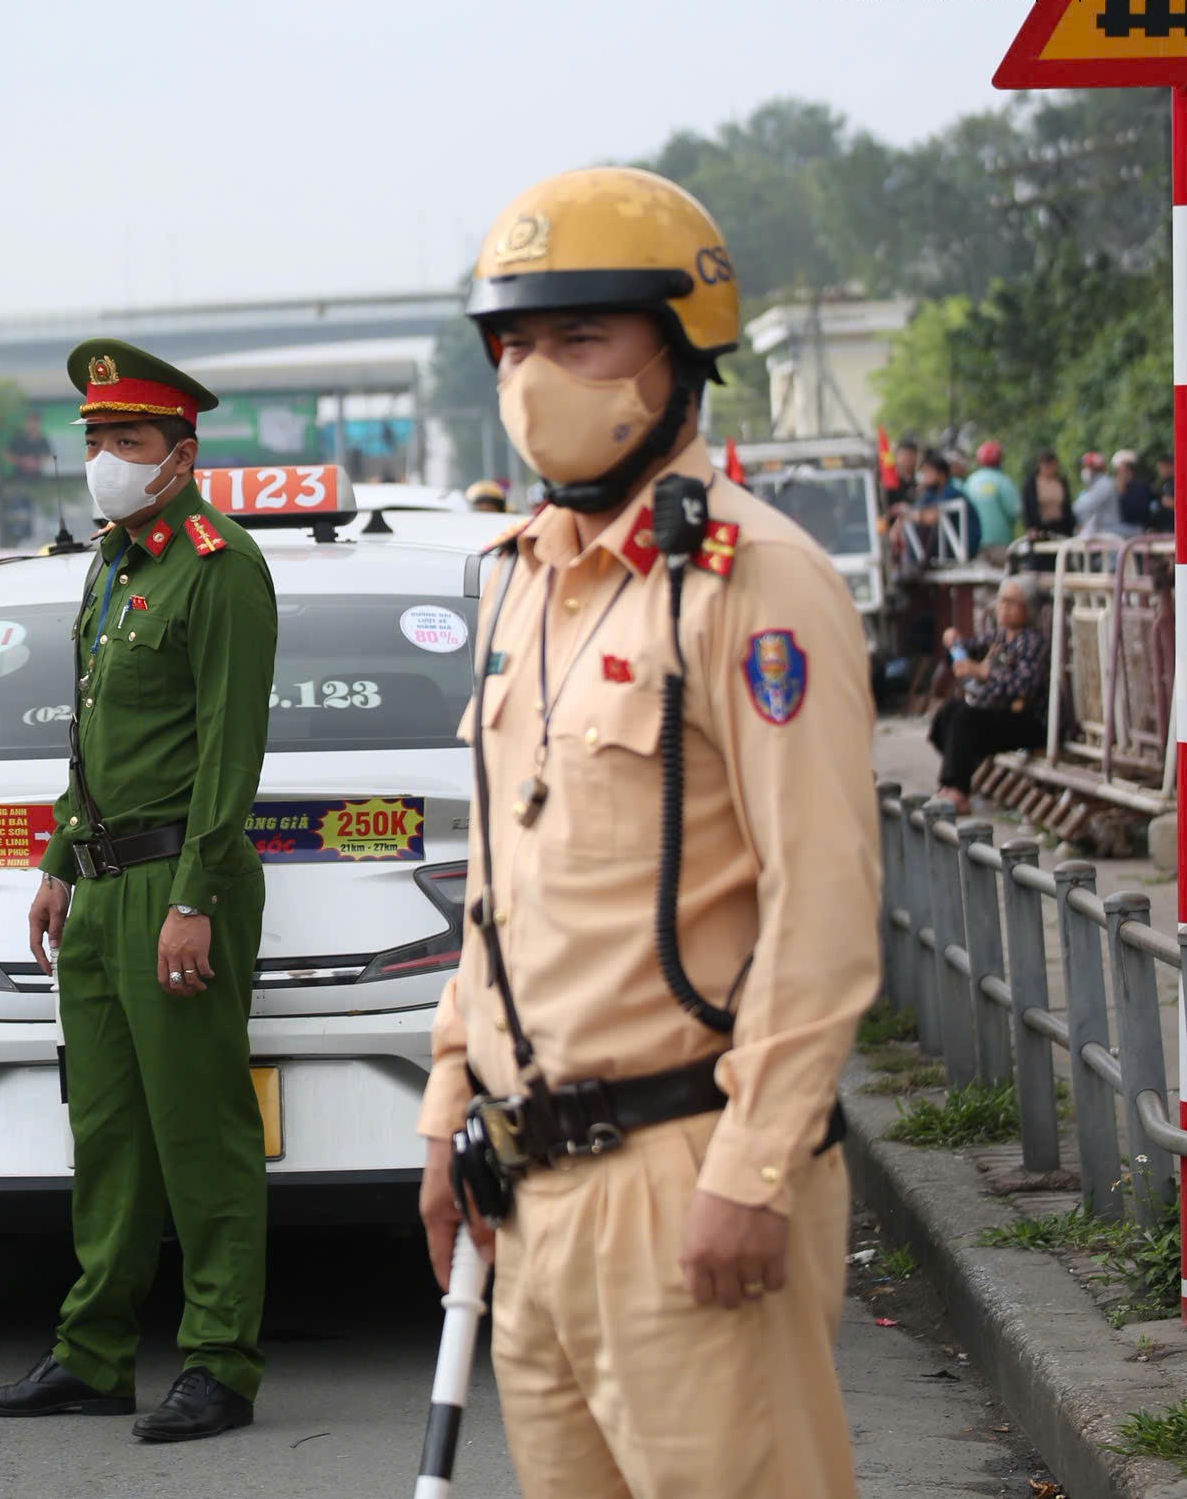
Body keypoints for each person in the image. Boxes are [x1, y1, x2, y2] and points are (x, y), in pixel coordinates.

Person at [415, 165, 878, 1499]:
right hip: (529, 1185)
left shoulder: (757, 580)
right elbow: (500, 893)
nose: (535, 375)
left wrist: (754, 1161)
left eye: (581, 338)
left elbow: (826, 899)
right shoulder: (517, 584)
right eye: (513, 344)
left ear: (682, 352)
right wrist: (451, 1104)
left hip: (689, 1169)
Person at [0, 339, 276, 1444]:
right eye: (94, 439)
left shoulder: (217, 564)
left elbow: (230, 752)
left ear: (180, 455)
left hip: (177, 889)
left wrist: (195, 894)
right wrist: (55, 859)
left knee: (201, 1132)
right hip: (98, 889)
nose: (102, 457)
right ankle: (93, 1353)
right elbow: (93, 739)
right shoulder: (113, 564)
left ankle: (219, 1360)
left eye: (125, 441)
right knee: (104, 1132)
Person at [926, 576, 1050, 812]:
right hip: (997, 714)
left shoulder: (1032, 642)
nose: (1003, 607)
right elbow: (968, 647)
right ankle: (955, 781)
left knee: (964, 718)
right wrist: (954, 643)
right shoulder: (1000, 637)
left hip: (1025, 720)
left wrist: (984, 671)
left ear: (1028, 609)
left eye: (1012, 602)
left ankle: (958, 791)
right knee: (948, 712)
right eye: (1002, 601)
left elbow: (1025, 686)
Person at [906, 450, 979, 559]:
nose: (925, 476)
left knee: (918, 524)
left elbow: (931, 517)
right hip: (944, 549)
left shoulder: (953, 493)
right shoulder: (931, 494)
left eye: (928, 472)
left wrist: (913, 515)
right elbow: (915, 510)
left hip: (960, 548)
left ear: (940, 474)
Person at [960, 439, 1022, 553]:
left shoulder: (970, 481)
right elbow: (1014, 510)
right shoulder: (1003, 481)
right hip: (1000, 542)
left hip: (973, 543)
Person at [1022, 448, 1075, 538]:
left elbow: (1067, 506)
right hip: (1041, 529)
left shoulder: (1061, 481)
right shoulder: (1032, 483)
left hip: (1061, 527)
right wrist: (1030, 527)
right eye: (1046, 465)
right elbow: (1027, 506)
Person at [1071, 451, 1121, 536]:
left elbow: (1082, 507)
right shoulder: (1094, 485)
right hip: (1100, 531)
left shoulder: (1104, 483)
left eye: (1087, 467)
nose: (1084, 470)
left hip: (1109, 531)